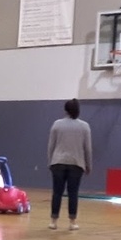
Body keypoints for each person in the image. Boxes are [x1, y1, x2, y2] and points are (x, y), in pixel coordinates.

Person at [47, 98, 92, 231]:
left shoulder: (57, 124)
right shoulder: (84, 126)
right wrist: (89, 164)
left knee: (57, 192)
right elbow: (88, 148)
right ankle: (72, 222)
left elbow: (51, 146)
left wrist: (50, 161)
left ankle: (53, 221)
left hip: (58, 162)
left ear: (65, 110)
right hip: (76, 163)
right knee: (73, 193)